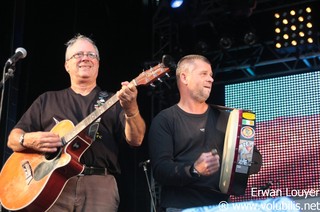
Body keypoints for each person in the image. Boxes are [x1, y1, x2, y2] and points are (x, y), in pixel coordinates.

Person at [6, 33, 146, 211]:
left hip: (99, 186)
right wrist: (28, 140)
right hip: (50, 183)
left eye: (91, 55)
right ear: (66, 65)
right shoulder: (47, 100)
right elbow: (13, 138)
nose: (85, 58)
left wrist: (131, 109)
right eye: (78, 55)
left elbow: (136, 139)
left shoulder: (114, 100)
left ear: (98, 64)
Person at [148, 54, 261, 211]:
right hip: (181, 207)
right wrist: (194, 170)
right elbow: (161, 170)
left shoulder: (226, 117)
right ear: (184, 78)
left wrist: (240, 157)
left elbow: (255, 161)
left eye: (211, 75)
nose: (211, 79)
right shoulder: (165, 119)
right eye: (204, 74)